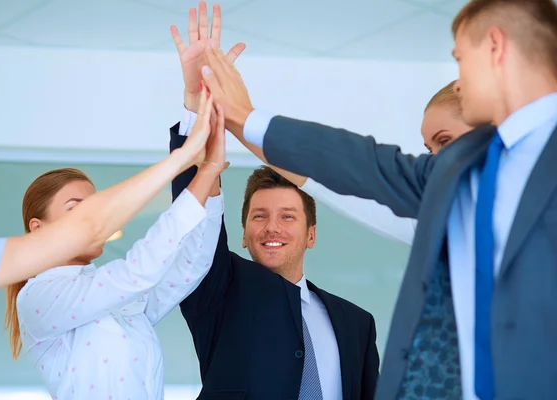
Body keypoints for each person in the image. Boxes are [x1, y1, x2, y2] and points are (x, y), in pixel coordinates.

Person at [198, 0, 557, 398]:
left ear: (495, 46)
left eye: (460, 59)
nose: (457, 82)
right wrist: (241, 116)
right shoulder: (462, 167)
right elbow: (354, 163)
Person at [169, 4, 379, 399]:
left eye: (288, 216)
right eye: (259, 216)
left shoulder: (357, 323)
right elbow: (194, 218)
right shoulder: (217, 290)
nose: (271, 227)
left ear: (311, 234)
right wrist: (197, 111)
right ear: (244, 233)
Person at [0, 88, 216, 399]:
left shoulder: (123, 300)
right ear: (38, 228)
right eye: (75, 208)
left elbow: (192, 262)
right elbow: (135, 273)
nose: (96, 220)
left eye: (94, 207)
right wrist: (202, 169)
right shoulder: (39, 296)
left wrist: (211, 173)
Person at [181, 80, 473, 246]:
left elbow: (350, 161)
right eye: (429, 149)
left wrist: (242, 117)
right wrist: (227, 118)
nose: (434, 161)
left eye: (445, 141)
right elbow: (313, 175)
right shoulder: (429, 220)